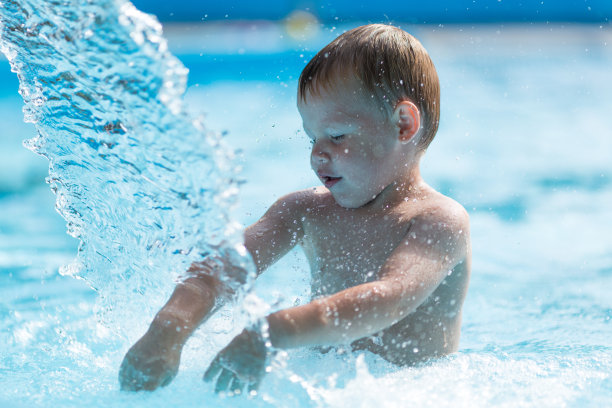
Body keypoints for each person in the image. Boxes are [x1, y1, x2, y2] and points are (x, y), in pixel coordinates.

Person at [119, 23, 471, 395]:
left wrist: (275, 331)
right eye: (312, 138)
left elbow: (390, 297)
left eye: (336, 136)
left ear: (403, 124)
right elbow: (224, 267)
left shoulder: (438, 222)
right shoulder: (305, 211)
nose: (317, 154)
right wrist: (169, 328)